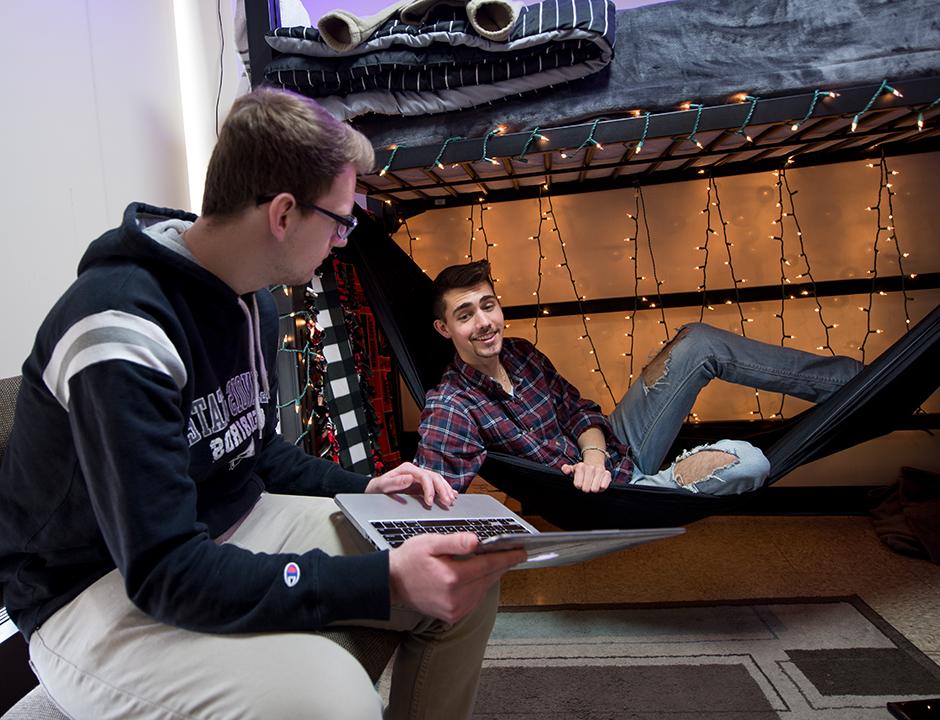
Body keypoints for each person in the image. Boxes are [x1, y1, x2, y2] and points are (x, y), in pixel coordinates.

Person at [0, 88, 525, 720]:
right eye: (340, 219)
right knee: (335, 699)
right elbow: (166, 570)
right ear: (283, 214)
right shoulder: (119, 328)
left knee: (463, 561)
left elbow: (253, 448)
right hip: (88, 584)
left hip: (226, 523)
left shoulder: (251, 297)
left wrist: (367, 485)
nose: (341, 241)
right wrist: (382, 578)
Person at [415, 260, 863, 496]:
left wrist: (594, 452)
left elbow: (579, 411)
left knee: (699, 341)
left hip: (616, 446)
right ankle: (667, 483)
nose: (485, 322)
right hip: (611, 496)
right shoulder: (452, 404)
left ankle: (860, 383)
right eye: (465, 315)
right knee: (751, 462)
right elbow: (433, 490)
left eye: (488, 305)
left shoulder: (522, 353)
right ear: (444, 329)